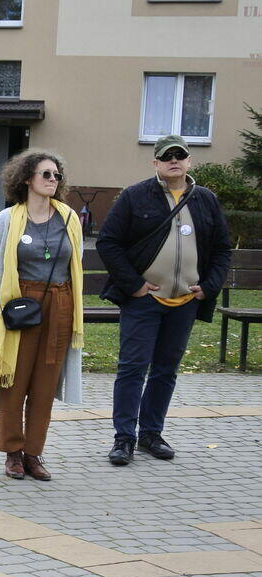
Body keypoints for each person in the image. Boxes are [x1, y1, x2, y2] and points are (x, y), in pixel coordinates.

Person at [97, 134, 232, 465]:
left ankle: (151, 434)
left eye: (179, 155)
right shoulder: (135, 196)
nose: (174, 160)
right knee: (132, 368)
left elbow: (221, 249)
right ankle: (124, 438)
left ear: (189, 161)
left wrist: (209, 287)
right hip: (144, 300)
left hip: (185, 300)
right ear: (155, 162)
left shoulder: (205, 199)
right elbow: (108, 242)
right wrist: (135, 285)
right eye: (167, 156)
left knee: (166, 370)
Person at [0, 150, 85, 481]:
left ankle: (33, 453)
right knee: (15, 379)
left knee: (45, 383)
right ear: (27, 179)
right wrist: (17, 293)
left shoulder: (69, 218)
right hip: (20, 304)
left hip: (60, 303)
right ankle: (12, 451)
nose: (53, 180)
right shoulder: (7, 219)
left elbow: (76, 260)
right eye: (46, 174)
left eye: (57, 175)